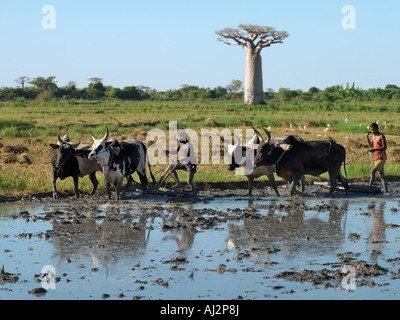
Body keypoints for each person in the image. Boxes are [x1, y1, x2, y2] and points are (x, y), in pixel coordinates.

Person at [366, 123, 388, 192]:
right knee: (381, 175)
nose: (372, 131)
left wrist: (375, 150)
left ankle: (369, 188)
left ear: (377, 129)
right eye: (371, 130)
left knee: (373, 171)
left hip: (381, 157)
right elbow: (370, 145)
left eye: (373, 130)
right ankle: (386, 190)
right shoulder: (373, 136)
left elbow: (385, 147)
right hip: (376, 157)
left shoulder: (381, 136)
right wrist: (367, 136)